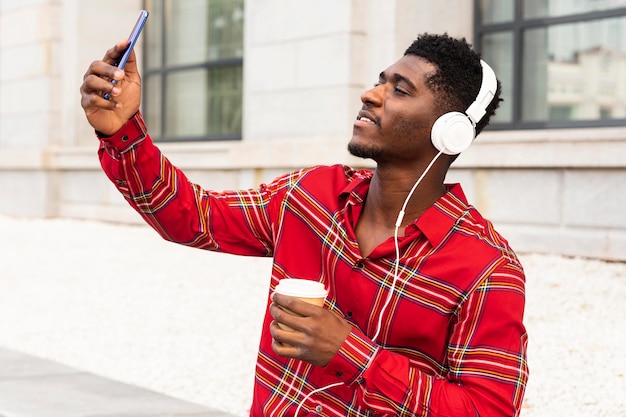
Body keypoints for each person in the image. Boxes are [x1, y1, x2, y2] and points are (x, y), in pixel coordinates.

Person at [80, 32, 528, 417]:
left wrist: (352, 354)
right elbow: (190, 217)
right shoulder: (311, 193)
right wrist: (122, 131)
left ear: (450, 131)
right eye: (380, 80)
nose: (371, 94)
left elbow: (486, 409)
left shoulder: (487, 270)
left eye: (401, 90)